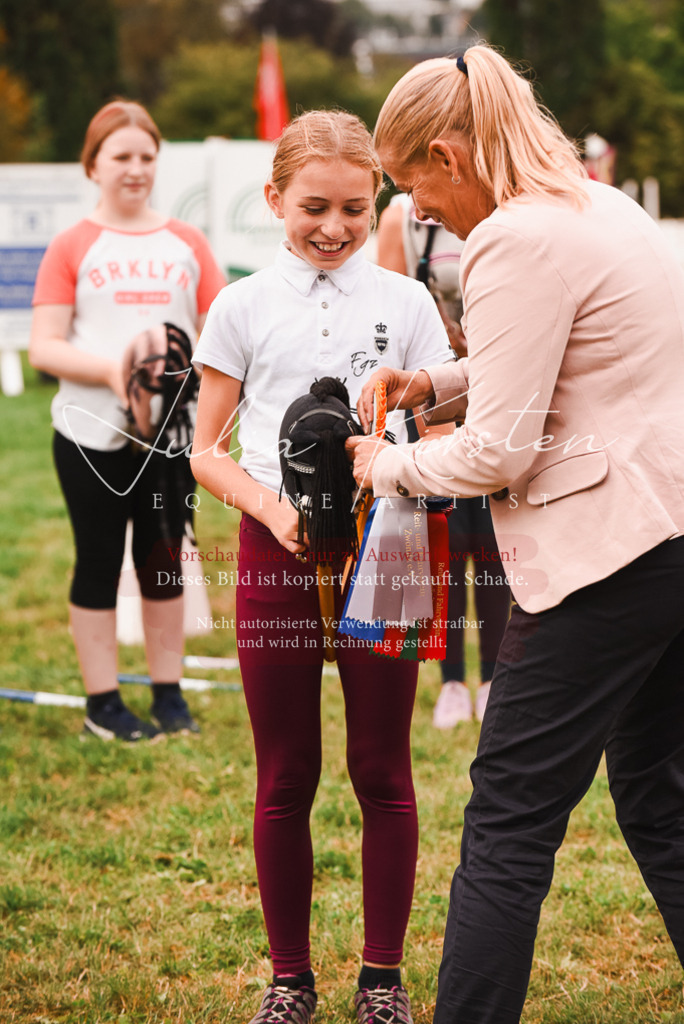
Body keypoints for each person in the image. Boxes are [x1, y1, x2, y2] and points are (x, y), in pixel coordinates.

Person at [346, 45, 684, 1024]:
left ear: (450, 155)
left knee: (508, 820)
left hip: (606, 555)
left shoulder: (511, 242)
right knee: (660, 797)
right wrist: (435, 383)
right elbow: (566, 355)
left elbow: (496, 452)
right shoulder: (598, 204)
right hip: (672, 540)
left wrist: (389, 464)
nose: (422, 217)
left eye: (414, 192)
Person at [190, 110, 452, 1024]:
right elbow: (204, 450)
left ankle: (382, 979)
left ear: (376, 200)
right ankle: (289, 979)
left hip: (390, 545)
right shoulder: (242, 304)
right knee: (285, 773)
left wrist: (403, 445)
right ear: (275, 201)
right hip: (277, 549)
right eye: (312, 208)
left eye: (352, 206)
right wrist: (274, 509)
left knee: (383, 768)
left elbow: (450, 418)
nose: (333, 227)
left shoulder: (408, 302)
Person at [29, 100, 226, 742]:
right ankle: (103, 703)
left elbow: (220, 331)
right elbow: (45, 346)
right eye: (121, 157)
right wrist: (117, 371)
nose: (136, 169)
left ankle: (169, 695)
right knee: (97, 561)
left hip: (168, 435)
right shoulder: (73, 244)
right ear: (93, 165)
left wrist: (183, 376)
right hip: (90, 433)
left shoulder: (186, 242)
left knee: (161, 559)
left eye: (147, 156)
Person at [376, 195, 510, 727]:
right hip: (432, 393)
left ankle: (495, 679)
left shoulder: (507, 204)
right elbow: (390, 314)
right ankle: (452, 679)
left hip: (500, 385)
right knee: (449, 539)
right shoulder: (403, 217)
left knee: (495, 541)